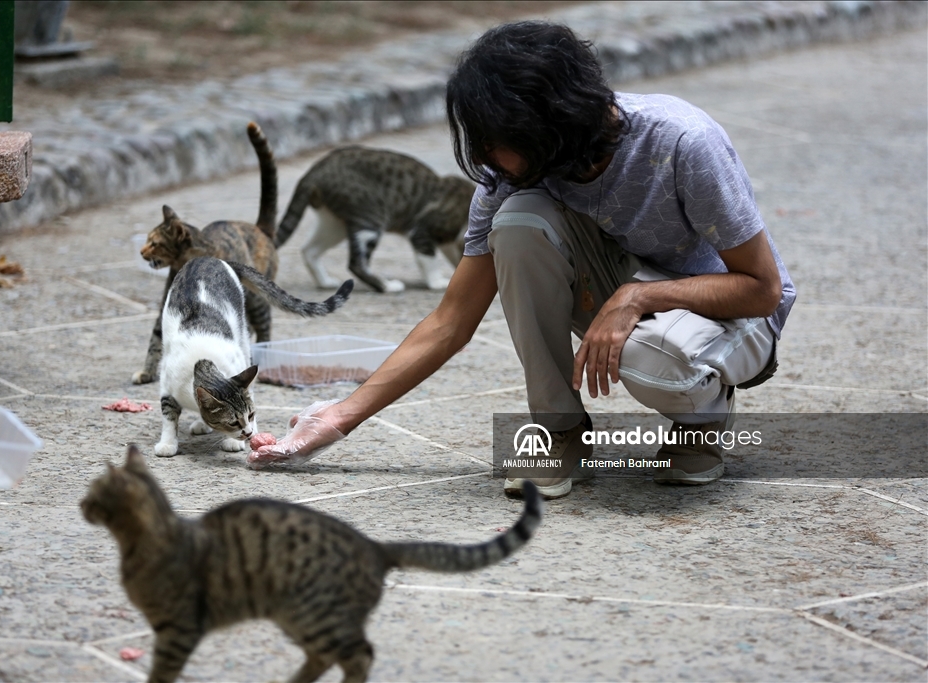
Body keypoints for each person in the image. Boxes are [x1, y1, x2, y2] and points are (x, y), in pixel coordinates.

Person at [250, 20, 794, 499]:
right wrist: (339, 417)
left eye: (496, 139)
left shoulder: (681, 142)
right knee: (517, 222)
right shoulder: (512, 174)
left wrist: (639, 296)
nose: (485, 156)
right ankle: (560, 432)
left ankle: (701, 425)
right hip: (634, 298)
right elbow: (450, 320)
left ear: (553, 124)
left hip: (730, 316)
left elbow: (761, 287)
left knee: (651, 359)